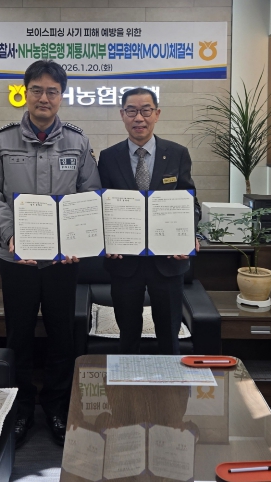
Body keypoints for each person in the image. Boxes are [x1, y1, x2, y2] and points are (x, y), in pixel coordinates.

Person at [0, 60, 101, 447]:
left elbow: (90, 193)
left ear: (61, 96)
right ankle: (21, 409)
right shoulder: (2, 140)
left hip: (63, 262)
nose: (44, 98)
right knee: (19, 334)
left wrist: (78, 240)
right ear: (24, 93)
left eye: (52, 91)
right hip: (17, 258)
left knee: (63, 334)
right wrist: (10, 233)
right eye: (37, 90)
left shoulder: (77, 142)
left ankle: (58, 407)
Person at [97, 87, 201, 355]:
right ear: (122, 114)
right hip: (124, 262)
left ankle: (171, 383)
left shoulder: (177, 153)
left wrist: (188, 235)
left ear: (157, 114)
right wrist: (106, 239)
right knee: (127, 335)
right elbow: (102, 206)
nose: (139, 118)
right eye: (131, 111)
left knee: (169, 335)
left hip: (168, 261)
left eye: (146, 110)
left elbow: (189, 202)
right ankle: (128, 382)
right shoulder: (108, 157)